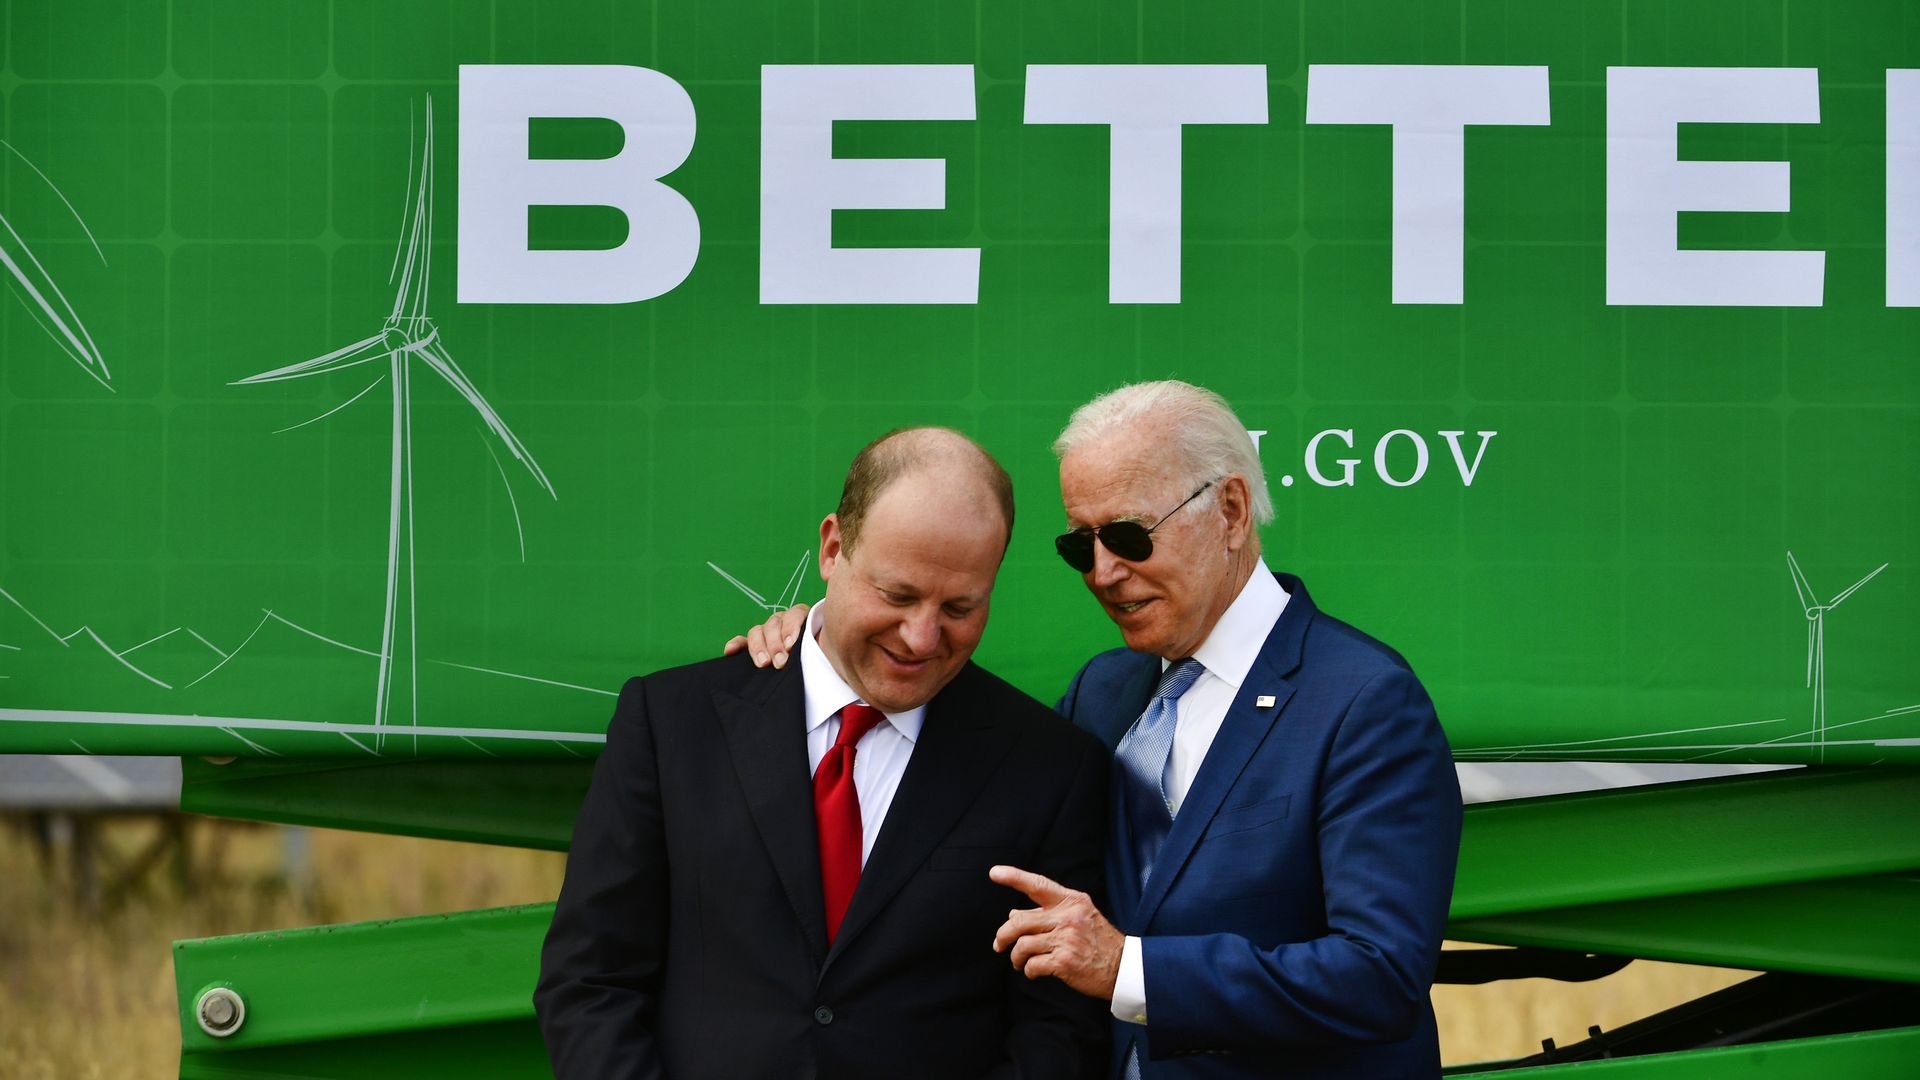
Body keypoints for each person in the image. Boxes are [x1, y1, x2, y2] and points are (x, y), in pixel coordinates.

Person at [735, 382, 1462, 1078]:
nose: (1104, 572)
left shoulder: (1364, 701)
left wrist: (1128, 969)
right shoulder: (1103, 692)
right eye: (1081, 546)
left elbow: (1381, 975)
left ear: (1232, 512)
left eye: (1127, 535)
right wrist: (828, 649)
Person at [538, 427, 1111, 1080]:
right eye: (897, 596)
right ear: (833, 547)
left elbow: (1058, 1030)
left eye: (960, 606)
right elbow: (590, 981)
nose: (922, 637)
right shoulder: (671, 722)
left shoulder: (1049, 768)